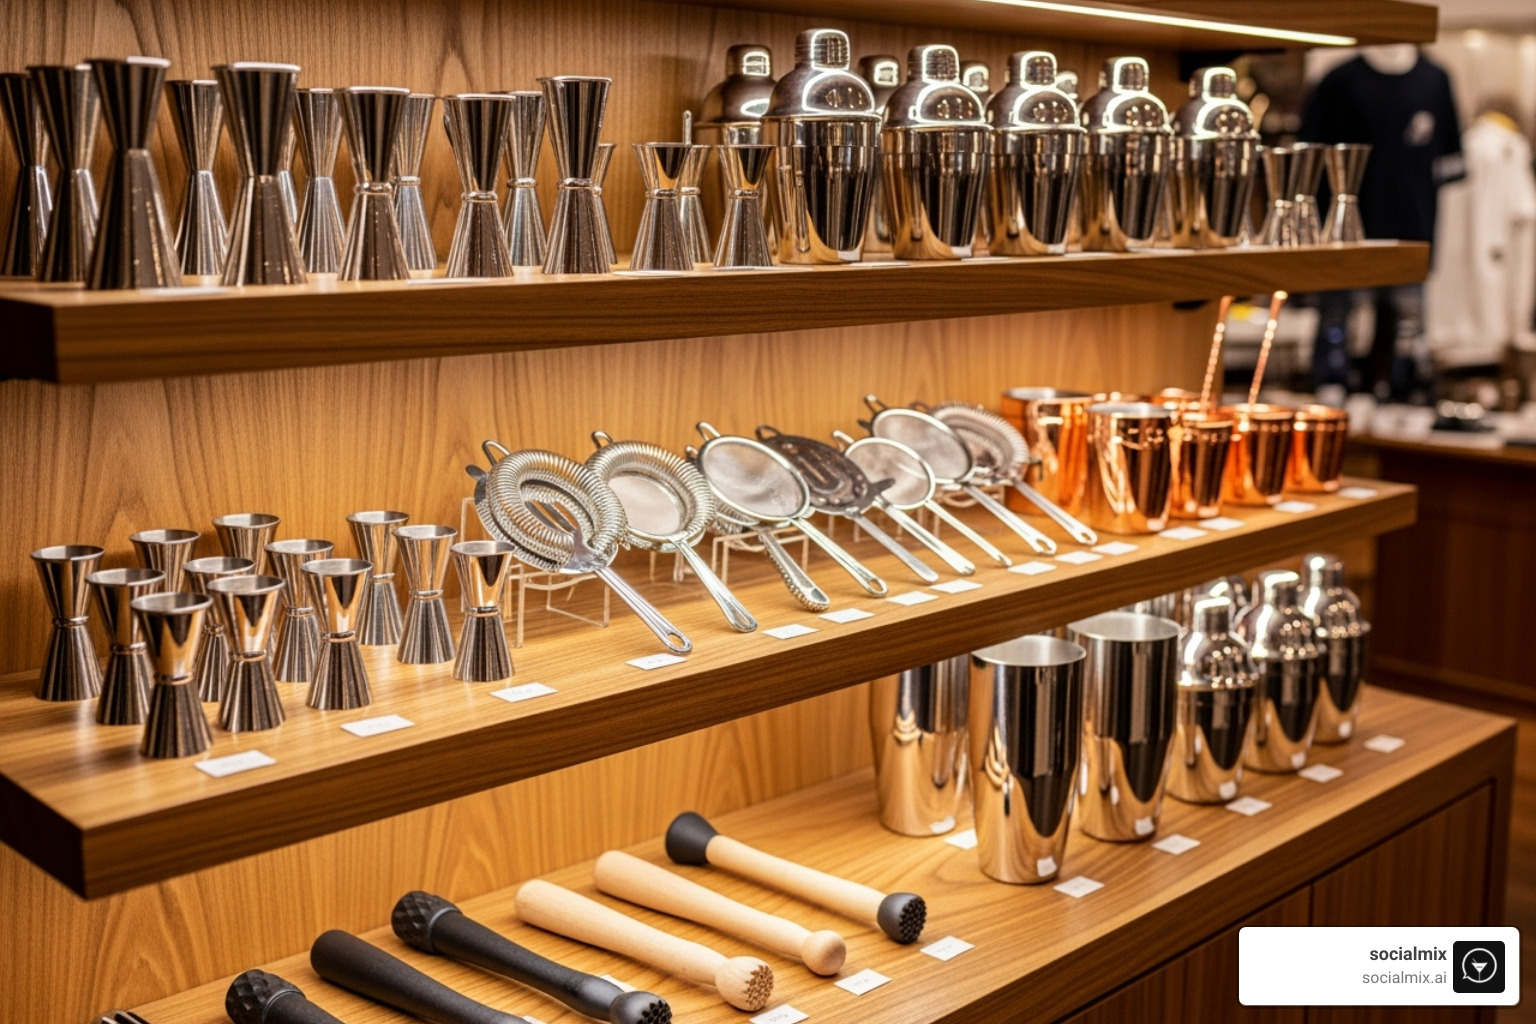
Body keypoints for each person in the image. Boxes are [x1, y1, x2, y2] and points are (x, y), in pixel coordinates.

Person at [1300, 45, 1465, 401]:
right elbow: (1307, 161)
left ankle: (1403, 383)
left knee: (1408, 324)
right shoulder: (1340, 80)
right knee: (1340, 321)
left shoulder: (1434, 80)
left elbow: (1451, 162)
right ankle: (1336, 377)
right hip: (1345, 233)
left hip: (1412, 230)